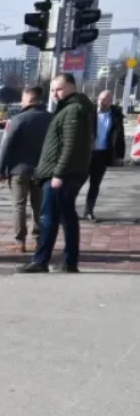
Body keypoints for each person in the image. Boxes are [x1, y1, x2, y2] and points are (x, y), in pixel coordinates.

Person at [18, 73, 94, 274]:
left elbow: (70, 145)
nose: (54, 94)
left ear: (71, 87)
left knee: (48, 217)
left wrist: (58, 174)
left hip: (61, 173)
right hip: (67, 171)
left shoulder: (73, 110)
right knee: (67, 216)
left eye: (58, 89)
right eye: (52, 90)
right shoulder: (71, 108)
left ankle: (41, 260)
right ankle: (69, 261)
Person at [0, 86, 52, 252]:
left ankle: (20, 241)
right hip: (42, 170)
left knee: (19, 206)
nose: (21, 102)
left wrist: (1, 169)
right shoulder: (51, 118)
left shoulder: (18, 119)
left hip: (19, 170)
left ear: (30, 99)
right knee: (39, 206)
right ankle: (38, 239)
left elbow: (7, 145)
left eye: (23, 99)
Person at [83, 89, 127, 221]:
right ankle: (66, 210)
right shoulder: (89, 113)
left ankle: (88, 211)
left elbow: (119, 136)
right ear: (97, 100)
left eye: (106, 100)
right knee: (76, 182)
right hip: (86, 154)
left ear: (111, 102)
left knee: (95, 184)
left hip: (102, 154)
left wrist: (119, 156)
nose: (102, 102)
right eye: (101, 100)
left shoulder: (115, 116)